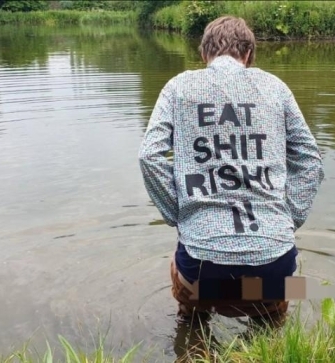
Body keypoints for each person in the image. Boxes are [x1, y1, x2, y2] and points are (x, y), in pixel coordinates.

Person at [138, 16, 324, 328]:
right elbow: (310, 158)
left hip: (203, 275)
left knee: (177, 265)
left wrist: (179, 214)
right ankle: (271, 331)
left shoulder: (178, 87)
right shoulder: (275, 88)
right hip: (273, 272)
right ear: (249, 55)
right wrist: (288, 217)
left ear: (203, 54)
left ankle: (193, 334)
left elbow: (149, 156)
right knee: (297, 286)